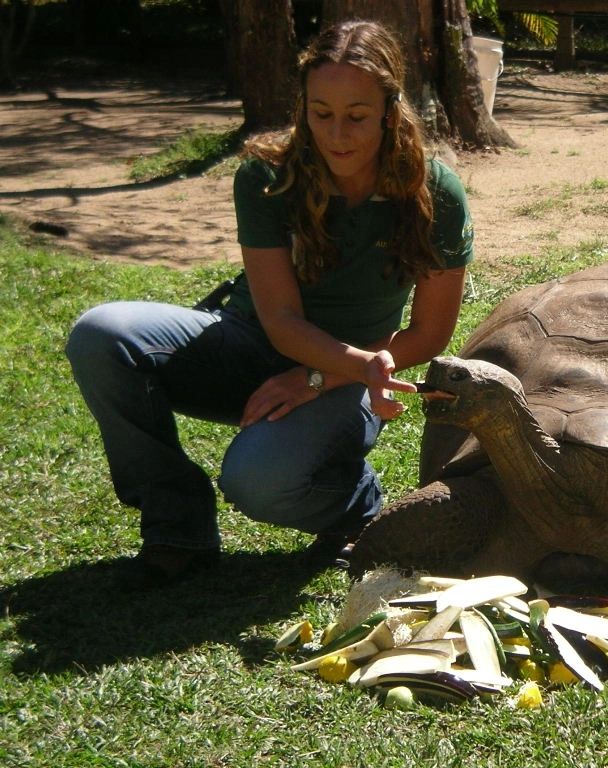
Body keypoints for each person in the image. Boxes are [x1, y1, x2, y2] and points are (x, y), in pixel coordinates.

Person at [64, 20, 474, 588]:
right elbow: (279, 319)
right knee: (100, 334)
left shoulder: (435, 192)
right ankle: (175, 523)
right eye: (319, 112)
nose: (337, 134)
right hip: (249, 345)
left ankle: (356, 505)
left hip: (348, 374)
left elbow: (428, 334)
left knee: (257, 482)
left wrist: (323, 377)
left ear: (388, 108)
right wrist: (308, 370)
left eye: (356, 115)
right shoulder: (267, 175)